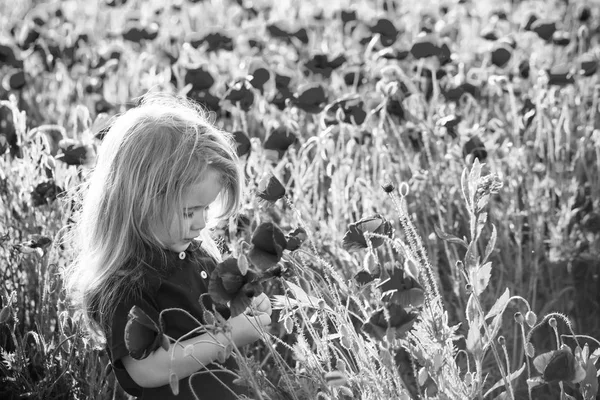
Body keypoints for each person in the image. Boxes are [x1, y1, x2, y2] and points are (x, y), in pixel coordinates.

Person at [62, 93, 272, 399]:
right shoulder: (127, 283)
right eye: (189, 211)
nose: (201, 224)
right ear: (140, 202)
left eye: (206, 209)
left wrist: (247, 307)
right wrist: (226, 337)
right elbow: (148, 370)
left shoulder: (198, 257)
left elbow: (221, 315)